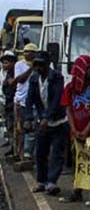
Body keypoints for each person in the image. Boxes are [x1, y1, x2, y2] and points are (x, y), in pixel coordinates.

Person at [59, 55, 90, 205]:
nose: (88, 73)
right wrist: (74, 130)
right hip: (76, 132)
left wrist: (87, 130)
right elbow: (68, 110)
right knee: (78, 163)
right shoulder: (70, 89)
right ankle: (77, 191)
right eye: (85, 70)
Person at [24, 51, 68, 195]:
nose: (38, 68)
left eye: (40, 65)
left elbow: (56, 100)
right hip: (41, 121)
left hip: (58, 122)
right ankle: (41, 181)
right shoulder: (34, 78)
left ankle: (52, 182)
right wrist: (28, 118)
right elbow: (30, 100)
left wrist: (47, 117)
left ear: (48, 64)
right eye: (35, 64)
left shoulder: (57, 77)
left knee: (56, 153)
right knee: (40, 153)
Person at [14, 43, 37, 161]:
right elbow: (20, 80)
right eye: (25, 51)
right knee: (20, 129)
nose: (26, 53)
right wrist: (31, 68)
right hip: (21, 101)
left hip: (35, 102)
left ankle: (29, 154)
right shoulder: (19, 64)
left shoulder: (40, 64)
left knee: (31, 129)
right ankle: (19, 152)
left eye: (29, 51)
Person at [2, 51, 17, 148]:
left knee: (14, 127)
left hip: (13, 103)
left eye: (6, 62)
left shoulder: (15, 73)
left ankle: (14, 148)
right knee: (9, 126)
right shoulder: (7, 73)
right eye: (3, 63)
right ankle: (12, 147)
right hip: (7, 102)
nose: (4, 65)